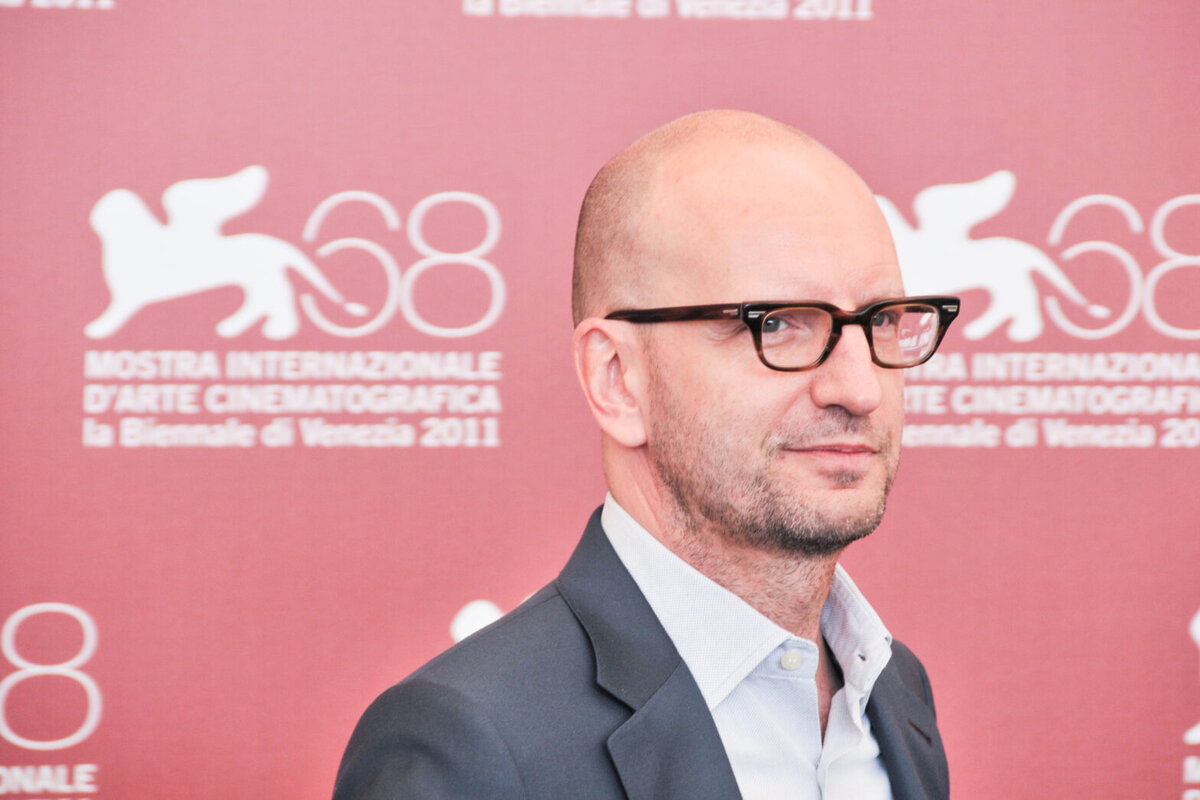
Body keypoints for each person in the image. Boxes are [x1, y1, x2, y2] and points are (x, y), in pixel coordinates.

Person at [333, 110, 958, 800]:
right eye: (777, 324)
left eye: (882, 322)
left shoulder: (894, 693)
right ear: (618, 379)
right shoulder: (471, 744)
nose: (860, 388)